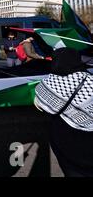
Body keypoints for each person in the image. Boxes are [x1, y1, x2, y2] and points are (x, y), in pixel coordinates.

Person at [35, 48, 93, 177]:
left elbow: (39, 104)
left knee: (71, 170)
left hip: (62, 136)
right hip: (88, 138)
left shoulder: (47, 83)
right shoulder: (90, 81)